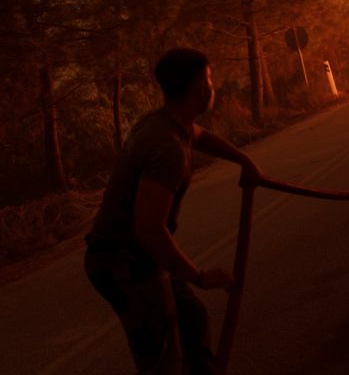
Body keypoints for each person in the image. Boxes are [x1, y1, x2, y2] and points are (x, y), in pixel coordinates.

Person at [84, 48, 263, 374]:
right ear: (199, 88)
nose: (213, 85)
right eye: (209, 77)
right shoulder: (167, 148)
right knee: (163, 359)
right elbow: (149, 229)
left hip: (135, 257)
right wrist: (200, 276)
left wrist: (244, 160)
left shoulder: (164, 123)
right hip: (123, 264)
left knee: (190, 319)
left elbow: (201, 137)